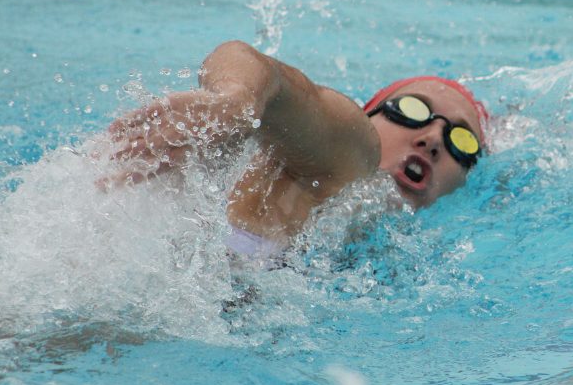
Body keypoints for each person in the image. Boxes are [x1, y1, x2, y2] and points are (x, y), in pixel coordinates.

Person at [104, 40, 488, 256]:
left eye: (462, 140)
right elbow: (258, 67)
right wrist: (236, 103)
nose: (434, 137)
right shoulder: (350, 155)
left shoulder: (359, 239)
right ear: (368, 115)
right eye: (411, 110)